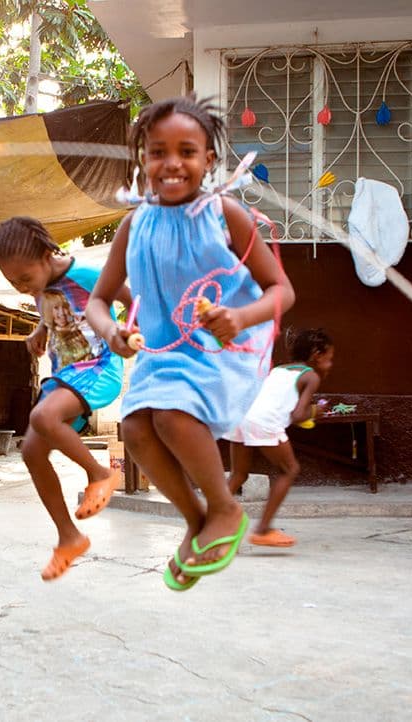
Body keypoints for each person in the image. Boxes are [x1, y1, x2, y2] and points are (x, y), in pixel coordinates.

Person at [86, 95, 295, 591]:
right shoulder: (134, 224)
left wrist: (239, 317)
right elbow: (98, 300)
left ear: (208, 159)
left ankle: (224, 508)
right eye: (158, 152)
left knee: (172, 416)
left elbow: (281, 290)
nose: (172, 163)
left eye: (187, 151)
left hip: (222, 349)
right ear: (143, 158)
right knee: (135, 428)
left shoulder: (224, 214)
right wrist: (112, 331)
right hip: (163, 355)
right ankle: (197, 521)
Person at [0, 216, 130, 581]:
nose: (21, 287)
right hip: (66, 375)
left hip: (98, 367)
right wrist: (39, 330)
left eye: (24, 278)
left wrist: (129, 333)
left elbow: (130, 298)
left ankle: (100, 473)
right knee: (31, 451)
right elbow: (58, 307)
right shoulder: (39, 285)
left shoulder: (85, 274)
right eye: (12, 282)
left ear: (46, 256)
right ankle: (69, 537)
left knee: (42, 418)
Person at [225, 328, 335, 547]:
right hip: (264, 421)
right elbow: (298, 415)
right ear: (316, 355)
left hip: (241, 416)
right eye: (329, 358)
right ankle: (263, 530)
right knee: (289, 469)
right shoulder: (311, 376)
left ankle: (209, 525)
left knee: (239, 474)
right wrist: (317, 411)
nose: (330, 364)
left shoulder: (279, 370)